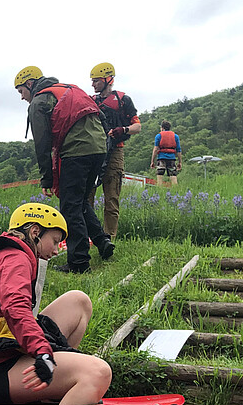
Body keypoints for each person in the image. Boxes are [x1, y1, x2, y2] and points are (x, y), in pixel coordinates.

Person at [0, 203, 112, 405]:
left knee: (79, 301)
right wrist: (42, 352)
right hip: (2, 372)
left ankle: (56, 385)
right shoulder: (15, 258)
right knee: (98, 373)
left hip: (12, 352)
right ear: (35, 232)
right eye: (55, 241)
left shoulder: (12, 253)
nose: (57, 250)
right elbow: (16, 309)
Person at [14, 66, 114, 273]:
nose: (22, 97)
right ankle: (102, 242)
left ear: (30, 84)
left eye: (21, 91)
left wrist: (46, 179)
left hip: (76, 152)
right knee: (80, 202)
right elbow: (102, 119)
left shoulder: (39, 101)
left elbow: (42, 144)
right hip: (99, 149)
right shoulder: (70, 89)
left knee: (69, 207)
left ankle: (78, 262)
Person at [88, 62, 141, 240]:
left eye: (96, 81)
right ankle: (89, 236)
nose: (93, 85)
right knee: (87, 195)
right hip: (94, 151)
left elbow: (137, 126)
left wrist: (123, 130)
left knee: (111, 198)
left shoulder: (123, 100)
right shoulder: (91, 101)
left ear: (107, 79)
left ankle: (109, 237)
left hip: (115, 151)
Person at [150, 120, 183, 186]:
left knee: (159, 177)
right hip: (172, 158)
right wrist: (180, 162)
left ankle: (159, 192)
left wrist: (152, 161)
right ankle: (176, 192)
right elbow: (178, 150)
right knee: (173, 176)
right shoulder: (175, 136)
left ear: (162, 128)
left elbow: (155, 149)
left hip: (161, 158)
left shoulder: (158, 136)